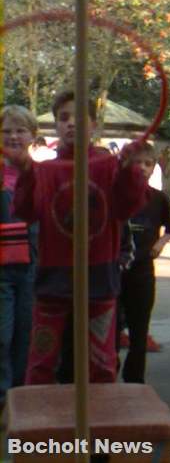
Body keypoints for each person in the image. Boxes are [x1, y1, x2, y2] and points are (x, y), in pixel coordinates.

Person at [9, 91, 147, 385]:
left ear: (94, 125)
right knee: (41, 363)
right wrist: (25, 172)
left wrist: (129, 171)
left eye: (79, 118)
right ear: (55, 126)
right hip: (53, 282)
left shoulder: (110, 166)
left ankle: (99, 429)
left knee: (102, 364)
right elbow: (26, 211)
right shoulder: (44, 170)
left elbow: (128, 206)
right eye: (63, 118)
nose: (71, 124)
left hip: (99, 280)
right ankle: (38, 429)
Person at [117, 142, 170, 383]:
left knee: (139, 330)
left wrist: (160, 243)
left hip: (142, 271)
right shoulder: (115, 196)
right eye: (137, 163)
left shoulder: (158, 199)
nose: (142, 168)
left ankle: (134, 382)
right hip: (114, 271)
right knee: (111, 331)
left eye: (148, 163)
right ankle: (107, 376)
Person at [0, 105, 38, 408]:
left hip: (32, 267)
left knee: (27, 335)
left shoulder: (41, 173)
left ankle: (19, 398)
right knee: (2, 335)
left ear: (32, 136)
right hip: (1, 270)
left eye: (20, 130)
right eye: (7, 130)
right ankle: (3, 397)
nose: (13, 136)